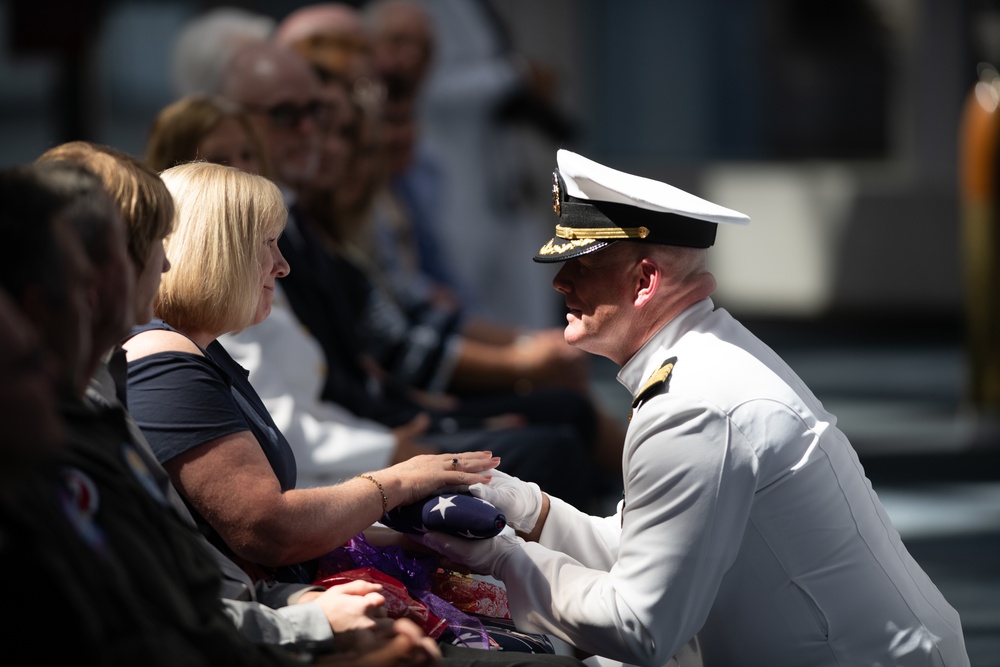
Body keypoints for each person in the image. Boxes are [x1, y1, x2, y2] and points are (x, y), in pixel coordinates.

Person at [417, 149, 971, 667]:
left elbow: (640, 625)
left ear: (644, 280)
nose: (560, 281)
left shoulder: (690, 406)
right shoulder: (699, 360)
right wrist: (522, 507)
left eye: (582, 265)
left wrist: (498, 557)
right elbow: (648, 551)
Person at [33, 144, 439, 665]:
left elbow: (194, 582)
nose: (168, 259)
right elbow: (256, 537)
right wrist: (395, 485)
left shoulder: (107, 387)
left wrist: (298, 604)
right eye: (151, 243)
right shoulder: (148, 369)